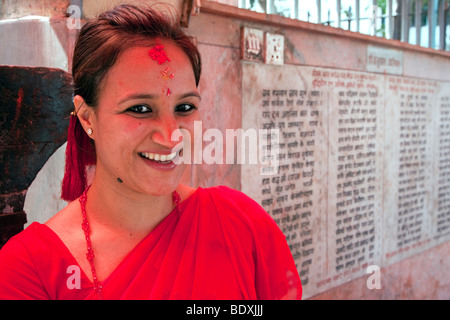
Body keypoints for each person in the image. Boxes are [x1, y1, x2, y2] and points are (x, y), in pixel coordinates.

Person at [0, 4, 301, 300]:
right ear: (87, 117)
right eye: (140, 109)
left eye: (184, 108)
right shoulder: (28, 270)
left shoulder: (241, 224)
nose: (170, 137)